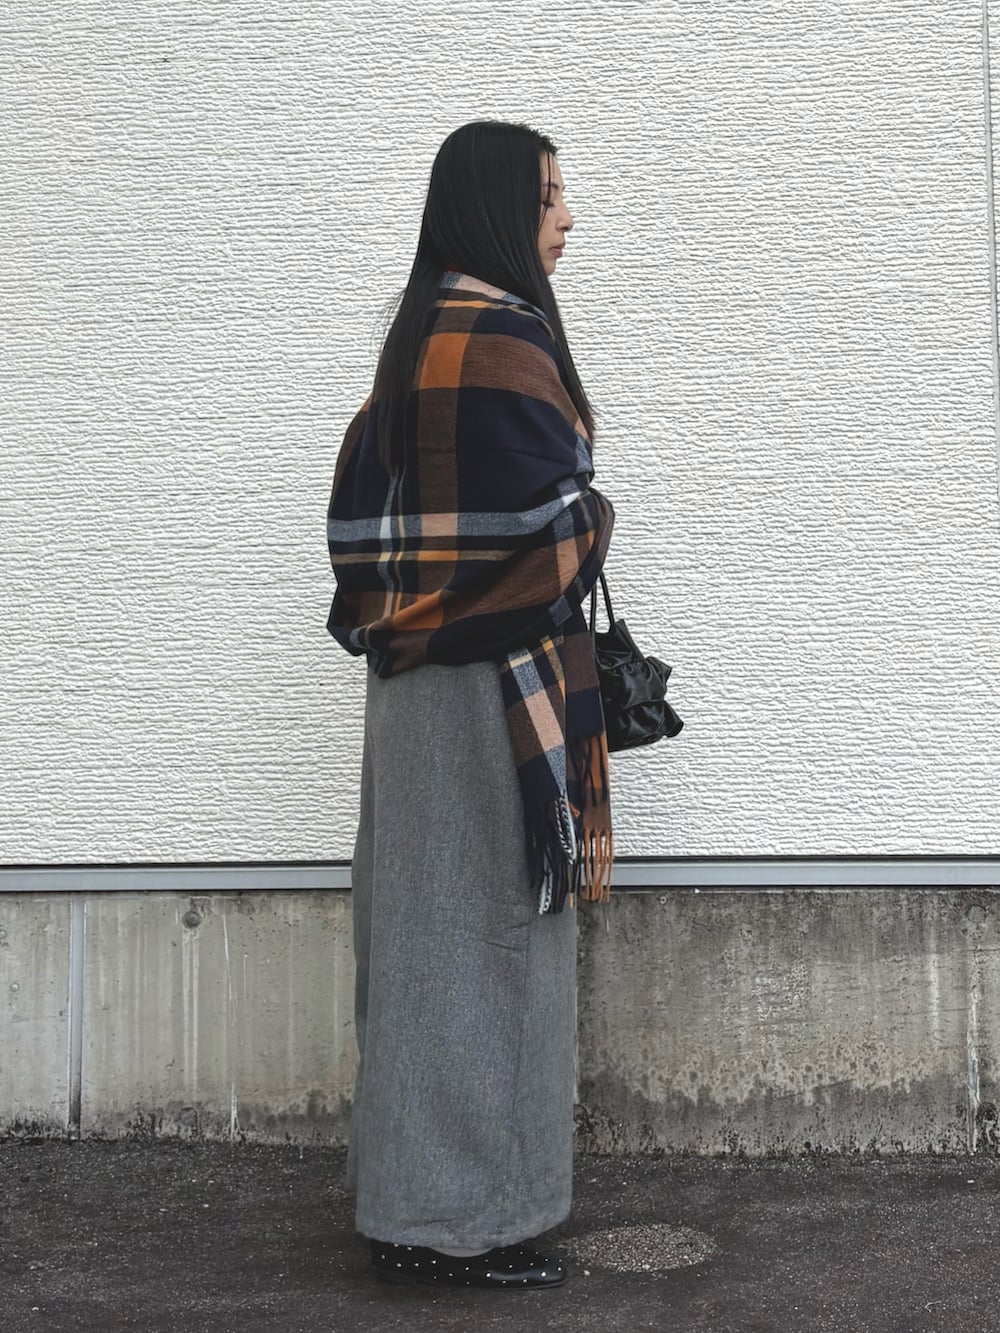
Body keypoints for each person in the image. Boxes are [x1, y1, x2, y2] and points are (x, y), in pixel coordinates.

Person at [325, 118, 615, 1292]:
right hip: (489, 696)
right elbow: (543, 530)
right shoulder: (496, 335)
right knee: (487, 944)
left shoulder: (418, 333)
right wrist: (593, 518)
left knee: (419, 941)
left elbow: (365, 532)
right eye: (547, 195)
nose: (566, 216)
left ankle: (415, 1209)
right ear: (496, 207)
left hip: (415, 691)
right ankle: (457, 1226)